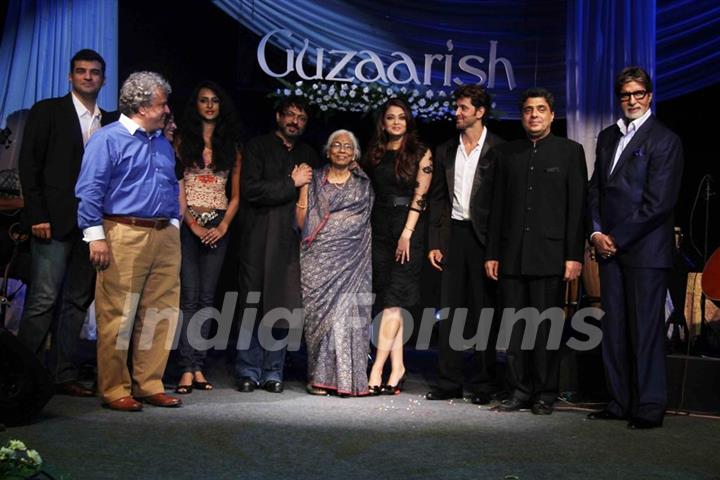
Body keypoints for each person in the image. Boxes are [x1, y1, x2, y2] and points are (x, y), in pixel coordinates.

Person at [75, 71, 182, 412]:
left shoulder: (162, 142)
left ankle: (149, 384)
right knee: (118, 315)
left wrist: (175, 225)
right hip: (123, 232)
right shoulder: (108, 139)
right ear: (140, 106)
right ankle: (115, 388)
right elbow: (90, 190)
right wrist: (95, 236)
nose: (167, 110)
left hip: (164, 235)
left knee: (160, 313)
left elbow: (169, 185)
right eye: (161, 104)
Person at [586, 66, 683, 429]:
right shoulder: (608, 136)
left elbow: (658, 203)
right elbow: (595, 190)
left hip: (645, 251)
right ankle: (619, 401)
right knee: (614, 331)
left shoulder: (665, 140)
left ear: (650, 96)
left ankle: (649, 406)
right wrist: (596, 233)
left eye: (638, 94)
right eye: (626, 95)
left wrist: (618, 237)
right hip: (609, 250)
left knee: (645, 331)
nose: (632, 100)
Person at [17, 49, 117, 397]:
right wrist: (37, 215)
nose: (88, 77)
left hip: (92, 226)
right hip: (53, 220)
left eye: (94, 72)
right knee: (43, 300)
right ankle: (19, 374)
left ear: (103, 78)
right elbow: (29, 166)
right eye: (81, 71)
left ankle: (62, 374)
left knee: (76, 301)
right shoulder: (48, 111)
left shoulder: (112, 119)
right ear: (70, 77)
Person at [485, 87, 586, 415]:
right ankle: (518, 390)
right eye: (528, 109)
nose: (534, 115)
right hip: (511, 255)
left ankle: (545, 393)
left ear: (552, 115)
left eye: (541, 109)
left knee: (545, 328)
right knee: (514, 327)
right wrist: (492, 253)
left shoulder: (570, 152)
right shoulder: (507, 154)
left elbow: (577, 209)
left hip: (551, 255)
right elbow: (496, 207)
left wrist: (573, 255)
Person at [425, 85, 503, 404]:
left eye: (463, 108)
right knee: (450, 311)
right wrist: (434, 241)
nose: (457, 113)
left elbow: (502, 205)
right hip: (453, 235)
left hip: (484, 239)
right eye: (456, 107)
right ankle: (449, 381)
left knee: (484, 311)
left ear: (480, 112)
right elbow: (438, 199)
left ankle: (484, 384)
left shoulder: (500, 149)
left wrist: (497, 250)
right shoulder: (446, 149)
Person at [235, 96, 317, 394]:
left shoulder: (308, 153)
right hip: (257, 236)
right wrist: (290, 183)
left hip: (290, 241)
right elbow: (251, 190)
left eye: (301, 118)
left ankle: (273, 371)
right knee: (252, 304)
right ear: (279, 117)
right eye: (290, 115)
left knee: (282, 304)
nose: (295, 121)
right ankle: (248, 369)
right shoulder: (258, 147)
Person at [173, 81, 241, 394]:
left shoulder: (232, 144)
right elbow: (178, 186)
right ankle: (186, 367)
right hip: (189, 223)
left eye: (215, 100)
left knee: (206, 298)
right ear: (196, 105)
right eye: (203, 100)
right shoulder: (181, 139)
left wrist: (224, 225)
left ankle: (199, 366)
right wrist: (192, 224)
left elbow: (236, 195)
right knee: (189, 297)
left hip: (218, 222)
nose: (210, 105)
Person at [363, 98, 433, 395]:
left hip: (408, 228)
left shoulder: (421, 152)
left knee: (393, 301)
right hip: (379, 225)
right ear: (383, 121)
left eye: (401, 118)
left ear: (409, 122)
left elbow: (421, 196)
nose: (395, 122)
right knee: (391, 302)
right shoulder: (375, 153)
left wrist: (407, 232)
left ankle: (378, 368)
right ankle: (399, 367)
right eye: (390, 117)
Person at [297, 129, 373, 397]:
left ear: (355, 154)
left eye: (348, 147)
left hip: (353, 260)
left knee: (346, 318)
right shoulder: (314, 179)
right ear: (328, 151)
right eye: (337, 145)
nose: (342, 150)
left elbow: (364, 222)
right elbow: (301, 220)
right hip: (317, 258)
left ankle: (347, 381)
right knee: (320, 319)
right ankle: (317, 378)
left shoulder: (363, 184)